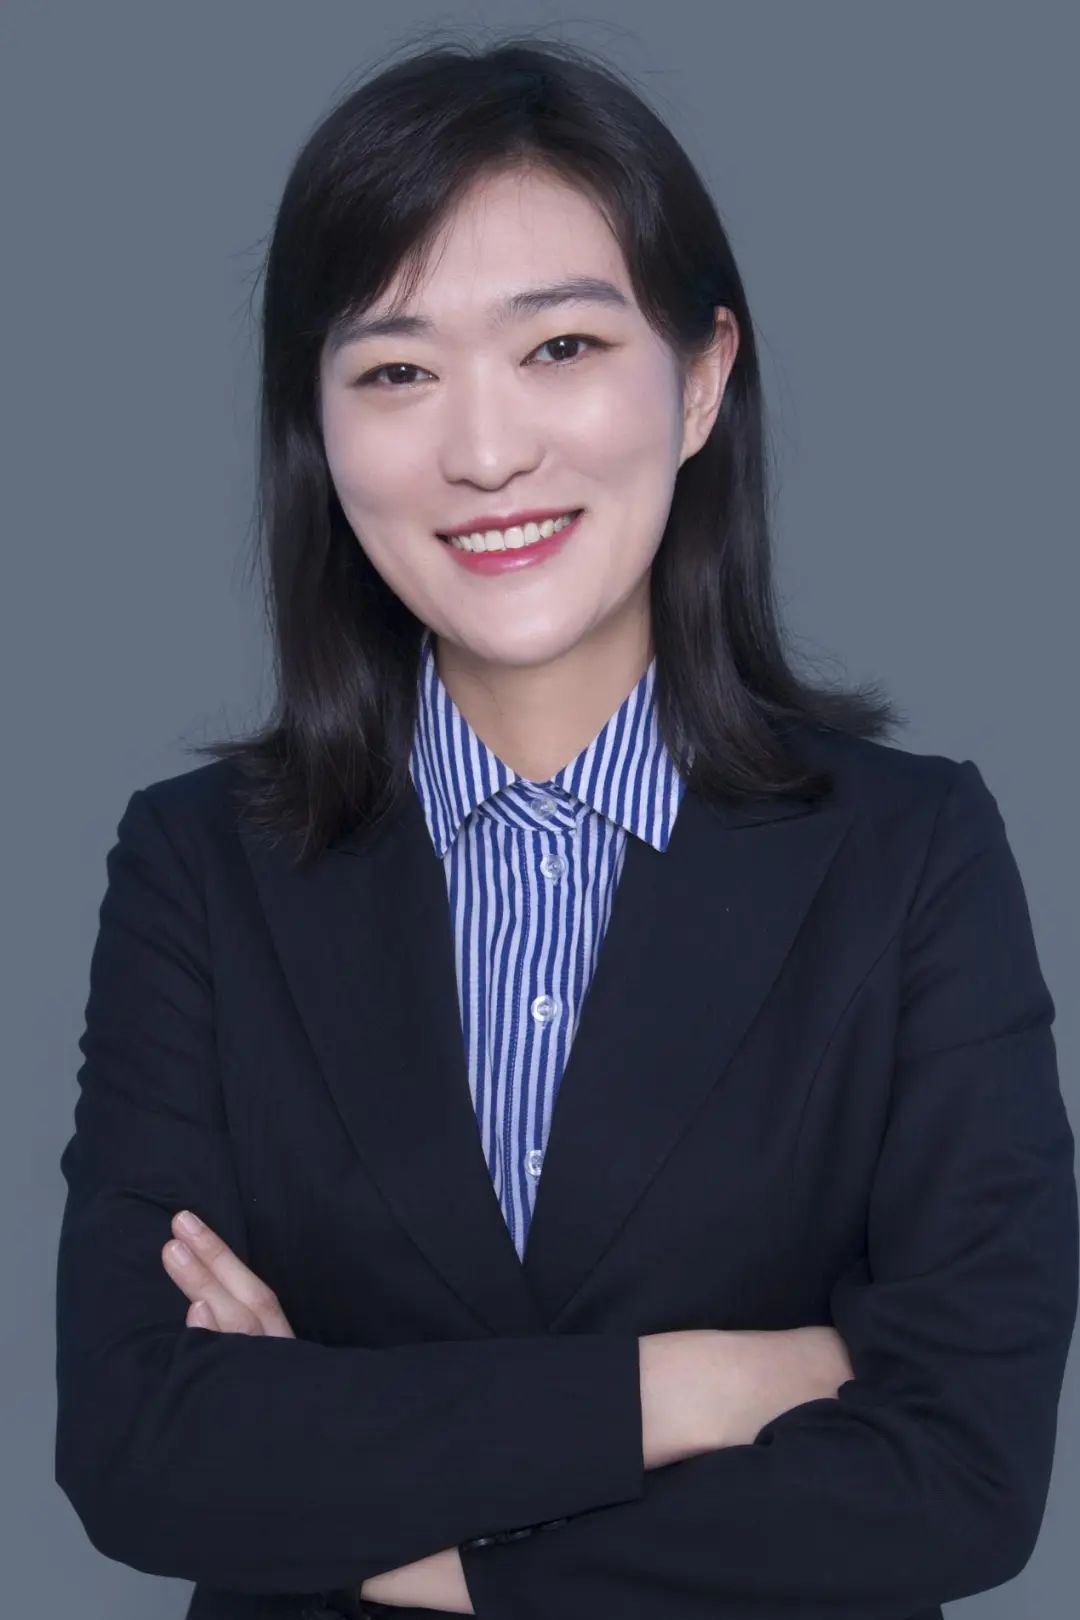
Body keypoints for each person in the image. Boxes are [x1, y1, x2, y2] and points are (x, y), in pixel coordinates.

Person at [54, 31, 1078, 1620]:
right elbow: (139, 1448)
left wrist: (410, 1535)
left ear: (703, 379)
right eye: (396, 371)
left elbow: (960, 1480)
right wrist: (706, 1384)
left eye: (562, 347)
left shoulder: (910, 856)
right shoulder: (200, 868)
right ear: (315, 425)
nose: (484, 451)